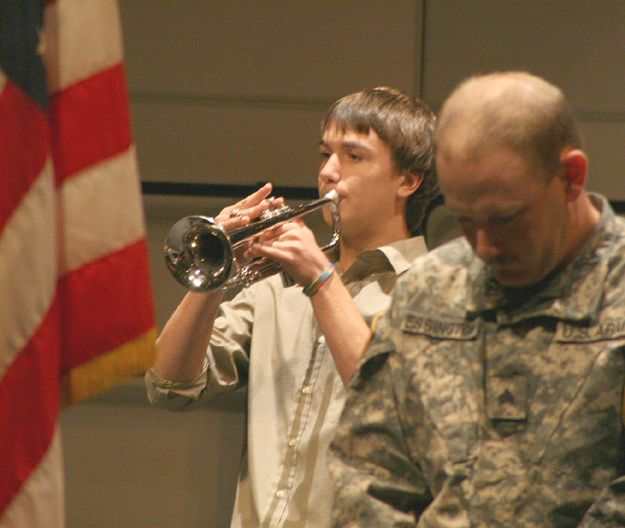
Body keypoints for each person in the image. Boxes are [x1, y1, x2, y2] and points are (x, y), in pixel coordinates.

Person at [328, 71, 625, 527]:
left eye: (504, 218)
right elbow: (368, 470)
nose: (483, 247)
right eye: (464, 220)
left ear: (571, 177)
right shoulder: (430, 290)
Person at [145, 86, 442, 527]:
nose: (328, 172)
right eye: (325, 154)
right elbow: (169, 386)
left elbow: (394, 409)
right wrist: (216, 274)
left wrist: (320, 280)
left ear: (408, 181)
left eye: (353, 156)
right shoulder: (277, 287)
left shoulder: (436, 290)